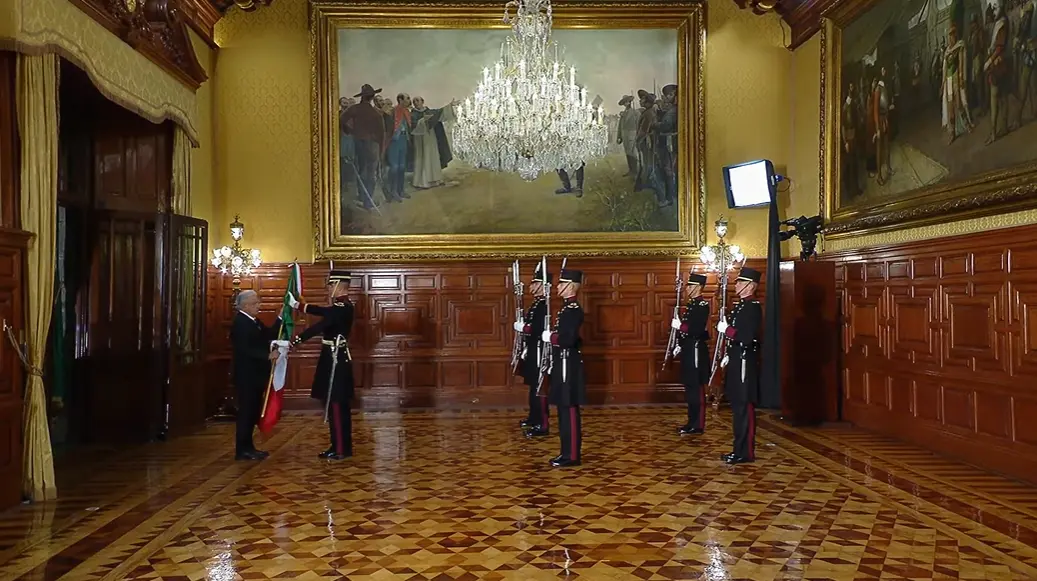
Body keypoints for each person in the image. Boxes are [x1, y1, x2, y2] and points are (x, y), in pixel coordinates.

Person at [291, 268, 356, 460]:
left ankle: (341, 448)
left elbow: (321, 324)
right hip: (331, 357)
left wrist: (296, 340)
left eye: (330, 285)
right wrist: (300, 306)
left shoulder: (343, 308)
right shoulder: (338, 307)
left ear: (338, 286)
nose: (328, 289)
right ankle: (336, 445)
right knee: (332, 403)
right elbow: (324, 312)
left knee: (336, 403)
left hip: (337, 360)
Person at [717, 267, 762, 465]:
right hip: (736, 358)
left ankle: (746, 452)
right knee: (737, 406)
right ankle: (738, 449)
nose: (736, 285)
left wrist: (728, 330)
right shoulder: (740, 306)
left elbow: (746, 337)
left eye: (739, 282)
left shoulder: (752, 307)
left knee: (744, 406)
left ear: (749, 286)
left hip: (745, 360)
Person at [541, 269, 585, 467]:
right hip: (562, 362)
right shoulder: (566, 309)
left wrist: (550, 337)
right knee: (563, 409)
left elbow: (568, 339)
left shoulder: (573, 310)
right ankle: (566, 452)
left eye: (561, 283)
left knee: (569, 409)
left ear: (570, 286)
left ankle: (572, 455)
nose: (557, 287)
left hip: (569, 364)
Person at [230, 290, 280, 461]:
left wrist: (280, 319)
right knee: (246, 413)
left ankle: (249, 447)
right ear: (244, 305)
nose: (259, 306)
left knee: (252, 413)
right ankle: (242, 449)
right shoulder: (240, 323)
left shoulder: (254, 321)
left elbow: (269, 335)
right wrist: (266, 355)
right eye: (255, 303)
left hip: (256, 375)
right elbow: (244, 349)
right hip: (247, 376)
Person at [670, 272, 710, 435]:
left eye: (691, 285)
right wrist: (679, 343)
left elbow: (696, 329)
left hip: (696, 351)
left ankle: (698, 424)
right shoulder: (691, 305)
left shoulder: (702, 306)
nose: (687, 288)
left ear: (698, 287)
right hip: (688, 348)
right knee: (690, 389)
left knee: (696, 389)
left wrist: (681, 327)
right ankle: (691, 421)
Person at [517, 263, 550, 438]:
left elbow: (538, 329)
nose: (531, 286)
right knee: (533, 386)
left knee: (539, 387)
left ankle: (542, 423)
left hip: (540, 351)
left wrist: (526, 328)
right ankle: (533, 417)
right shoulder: (537, 304)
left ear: (543, 286)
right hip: (532, 350)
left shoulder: (544, 305)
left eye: (535, 283)